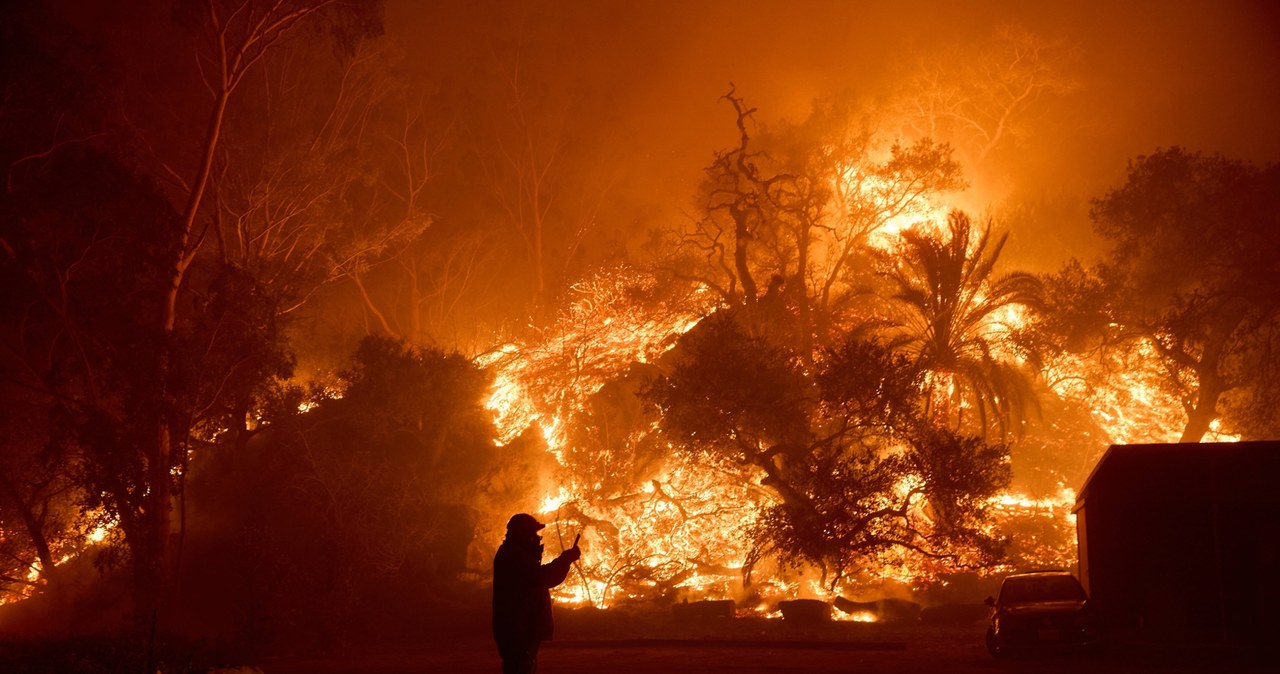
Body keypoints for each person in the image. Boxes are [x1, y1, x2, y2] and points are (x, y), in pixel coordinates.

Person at [492, 513, 582, 674]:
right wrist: (565, 559)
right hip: (518, 627)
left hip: (520, 626)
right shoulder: (513, 556)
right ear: (522, 533)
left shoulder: (513, 553)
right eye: (532, 533)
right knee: (520, 667)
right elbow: (543, 577)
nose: (536, 537)